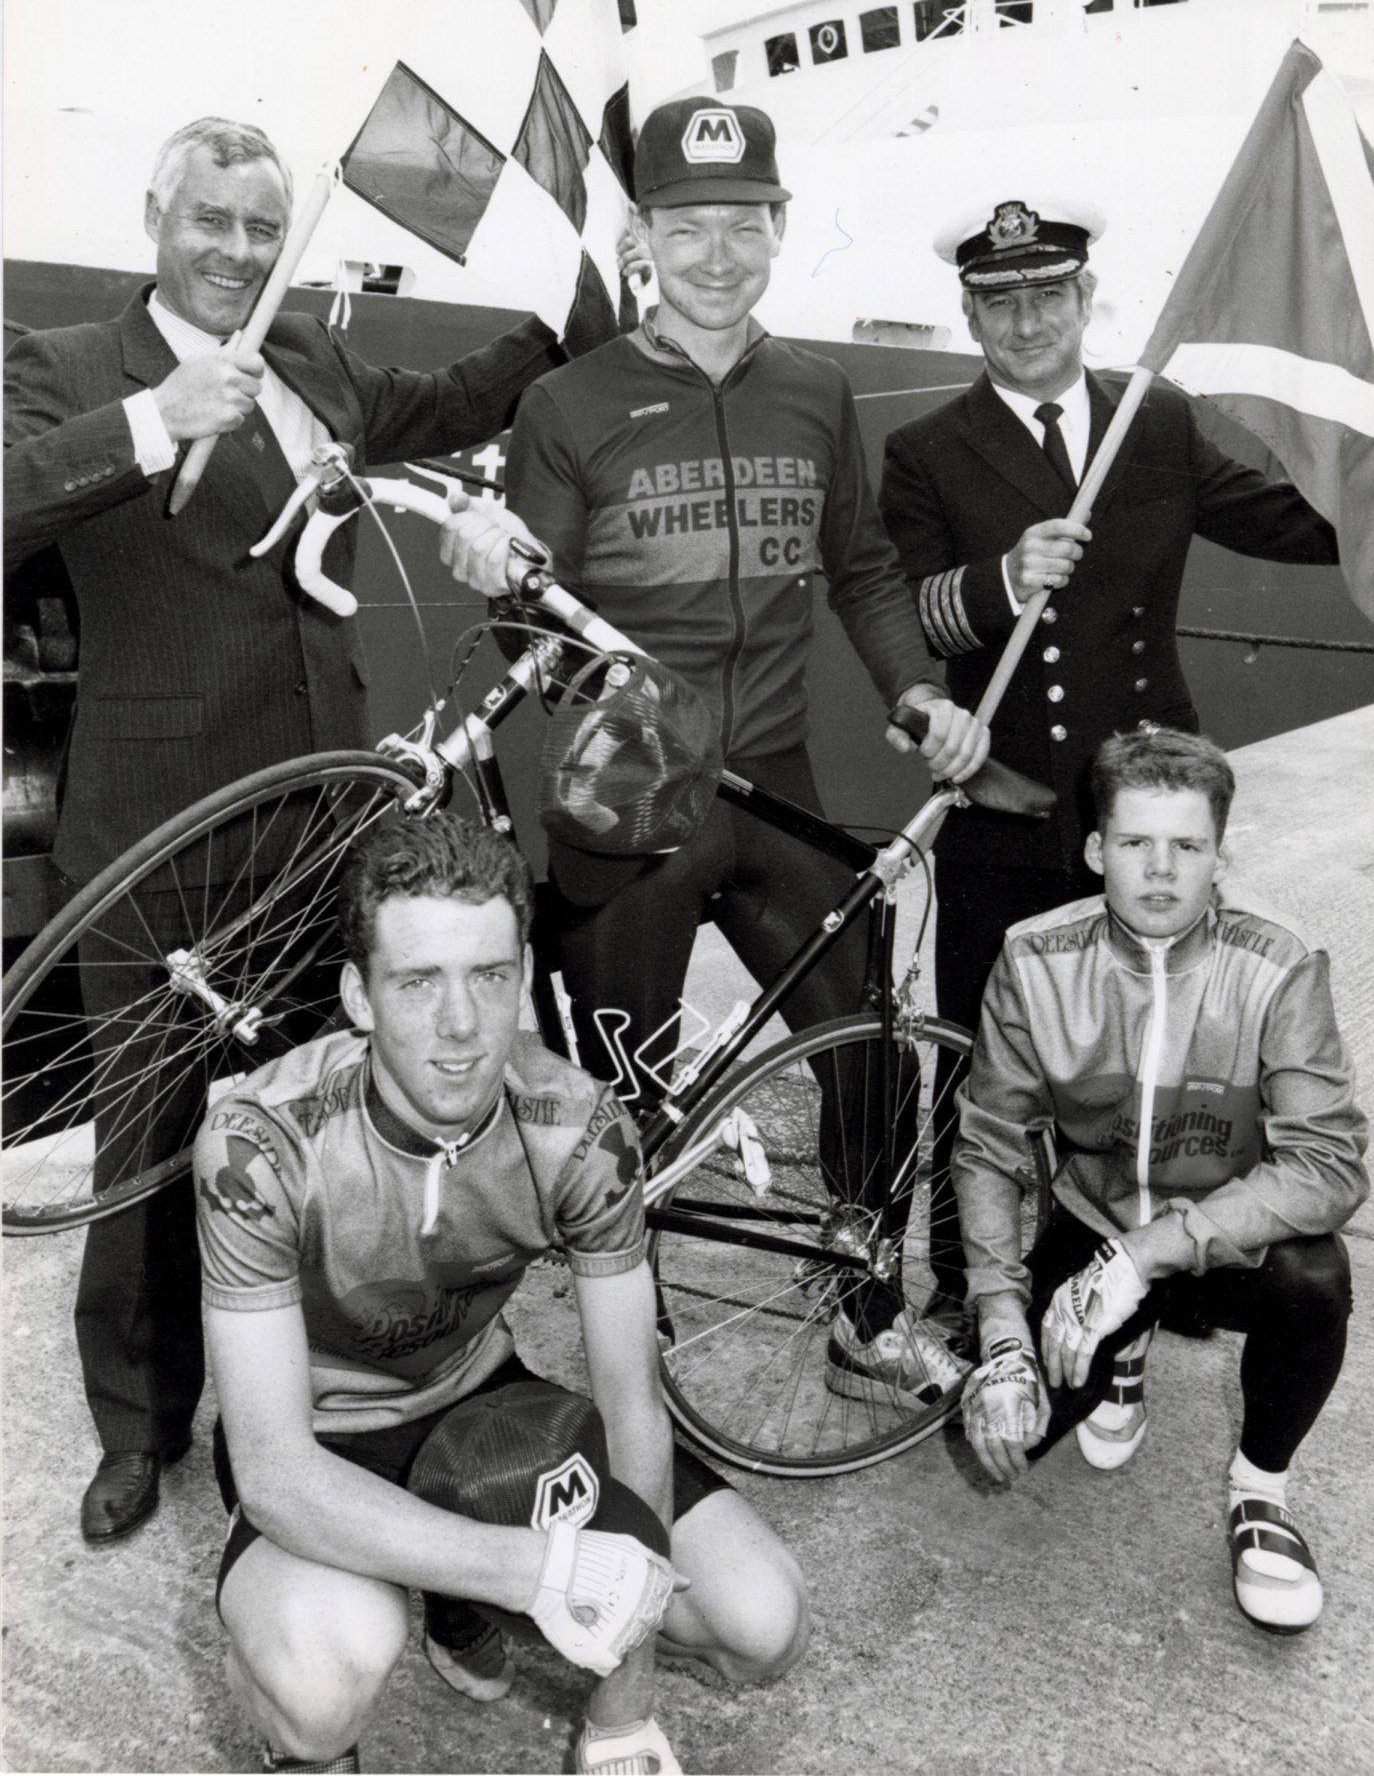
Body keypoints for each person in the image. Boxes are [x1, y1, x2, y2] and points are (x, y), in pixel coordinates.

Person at [3, 116, 580, 1544]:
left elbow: (446, 400)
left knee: (324, 1141)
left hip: (321, 829)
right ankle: (141, 1426)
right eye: (211, 219)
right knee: (148, 1152)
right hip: (158, 836)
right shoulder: (67, 366)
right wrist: (155, 420)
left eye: (263, 226)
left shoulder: (311, 357)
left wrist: (573, 310)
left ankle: (323, 1396)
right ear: (156, 217)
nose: (238, 249)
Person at [490, 93, 991, 1409]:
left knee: (873, 1049)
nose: (715, 254)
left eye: (742, 224)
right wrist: (510, 580)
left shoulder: (816, 392)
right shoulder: (565, 401)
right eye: (686, 226)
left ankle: (868, 1313)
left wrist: (916, 691)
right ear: (643, 237)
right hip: (628, 796)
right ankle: (629, 1328)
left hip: (774, 785)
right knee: (620, 1096)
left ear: (778, 227)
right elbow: (526, 618)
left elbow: (864, 570)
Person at [195, 812, 807, 1775]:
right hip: (323, 1434)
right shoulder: (260, 1143)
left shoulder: (577, 1127)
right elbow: (271, 1469)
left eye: (488, 976)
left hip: (481, 1402)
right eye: (417, 981)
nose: (460, 1024)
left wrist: (623, 1705)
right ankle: (302, 1681)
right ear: (358, 995)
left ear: (523, 975)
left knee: (762, 1620)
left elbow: (633, 1409)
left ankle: (456, 1586)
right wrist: (536, 1570)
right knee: (324, 1680)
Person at [877, 194, 1340, 1325]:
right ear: (969, 314)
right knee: (982, 1054)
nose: (1027, 320)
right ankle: (965, 1286)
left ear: (1086, 296)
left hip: (1148, 803)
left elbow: (1278, 519)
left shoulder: (1155, 418)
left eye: (1049, 294)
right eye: (1000, 301)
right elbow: (908, 614)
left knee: (1165, 1046)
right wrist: (1002, 580)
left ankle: (1159, 1267)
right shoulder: (925, 449)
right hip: (1008, 798)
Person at [952, 728, 1368, 1633]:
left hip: (1226, 1233)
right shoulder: (1033, 958)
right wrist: (1001, 1329)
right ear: (1095, 849)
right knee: (1004, 1430)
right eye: (1136, 840)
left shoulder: (1281, 962)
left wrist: (1144, 1256)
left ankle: (1259, 1489)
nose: (1162, 869)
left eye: (1187, 844)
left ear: (1222, 854)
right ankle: (1124, 1348)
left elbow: (1329, 1163)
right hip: (1093, 1223)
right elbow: (988, 1144)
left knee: (1316, 1278)